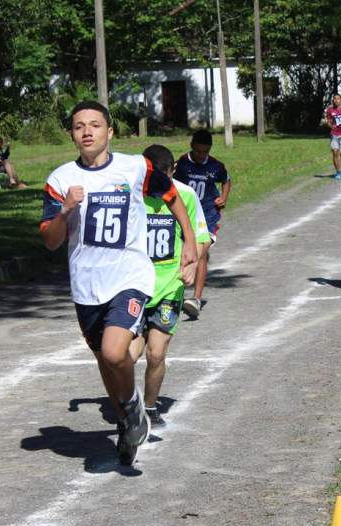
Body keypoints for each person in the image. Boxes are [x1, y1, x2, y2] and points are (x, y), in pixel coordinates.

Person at [39, 100, 197, 466]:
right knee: (106, 361)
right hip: (86, 284)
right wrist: (64, 209)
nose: (87, 132)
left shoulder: (134, 167)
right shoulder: (61, 179)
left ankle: (132, 410)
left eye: (95, 125)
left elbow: (172, 196)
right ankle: (129, 422)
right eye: (79, 126)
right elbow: (50, 240)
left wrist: (189, 241)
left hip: (129, 275)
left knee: (115, 352)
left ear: (110, 131)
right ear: (72, 135)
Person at [129, 144, 211, 428]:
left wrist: (190, 265)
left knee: (156, 353)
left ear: (172, 171)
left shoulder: (184, 195)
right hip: (134, 285)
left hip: (168, 286)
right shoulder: (131, 193)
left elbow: (202, 238)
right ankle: (129, 407)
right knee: (128, 355)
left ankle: (150, 407)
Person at [173, 129, 231, 319]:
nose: (200, 156)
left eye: (204, 152)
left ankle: (196, 299)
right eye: (197, 151)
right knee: (181, 252)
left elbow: (227, 180)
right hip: (184, 215)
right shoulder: (181, 164)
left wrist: (223, 197)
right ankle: (174, 295)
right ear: (191, 146)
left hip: (207, 216)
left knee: (202, 254)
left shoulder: (215, 166)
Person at [324, 94, 341, 180]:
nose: (336, 100)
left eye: (338, 99)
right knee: (335, 152)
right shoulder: (330, 110)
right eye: (334, 99)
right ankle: (338, 172)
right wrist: (331, 126)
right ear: (333, 100)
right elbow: (328, 121)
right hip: (334, 134)